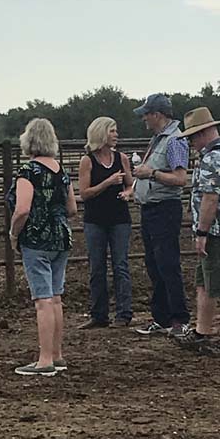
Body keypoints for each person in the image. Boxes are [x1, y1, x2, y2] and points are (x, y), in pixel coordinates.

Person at [173, 107, 220, 356]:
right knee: (205, 282)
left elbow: (209, 199)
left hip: (217, 231)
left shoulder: (213, 158)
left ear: (203, 133)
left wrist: (201, 231)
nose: (191, 143)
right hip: (219, 229)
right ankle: (203, 331)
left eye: (193, 137)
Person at [9, 118, 78, 376]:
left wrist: (14, 232)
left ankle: (44, 359)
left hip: (36, 240)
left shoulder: (28, 172)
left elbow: (22, 209)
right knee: (56, 297)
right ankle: (57, 355)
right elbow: (72, 208)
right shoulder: (62, 171)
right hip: (61, 238)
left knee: (43, 300)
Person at [131, 93, 190, 337]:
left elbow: (180, 179)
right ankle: (163, 316)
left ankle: (178, 319)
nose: (144, 118)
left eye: (147, 113)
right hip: (153, 208)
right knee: (155, 265)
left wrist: (151, 174)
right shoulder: (159, 139)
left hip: (164, 208)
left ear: (158, 115)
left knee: (167, 264)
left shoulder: (174, 141)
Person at [77, 116, 133, 329]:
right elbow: (84, 193)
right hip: (95, 220)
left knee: (121, 265)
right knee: (97, 267)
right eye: (112, 131)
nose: (116, 135)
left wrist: (128, 193)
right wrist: (107, 183)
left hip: (120, 219)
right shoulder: (87, 161)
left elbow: (130, 184)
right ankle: (99, 314)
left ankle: (124, 313)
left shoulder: (122, 159)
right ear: (101, 133)